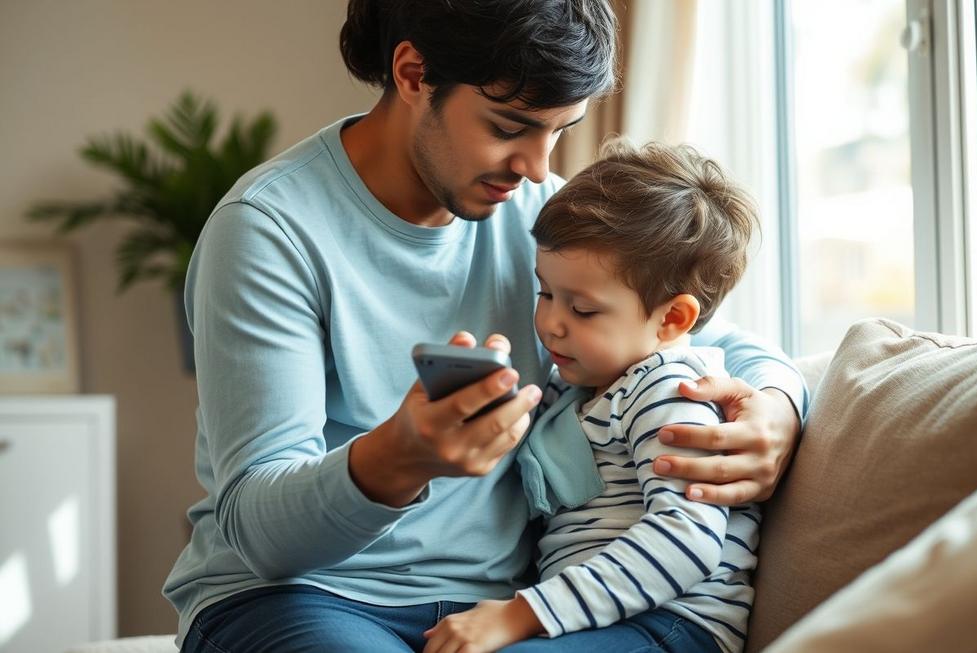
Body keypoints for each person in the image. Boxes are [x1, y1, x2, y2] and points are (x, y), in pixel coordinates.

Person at [164, 1, 807, 651]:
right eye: (509, 126)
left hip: (499, 607)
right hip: (301, 594)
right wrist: (399, 457)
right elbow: (262, 535)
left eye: (559, 131)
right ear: (413, 73)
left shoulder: (537, 211)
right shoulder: (268, 230)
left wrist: (776, 407)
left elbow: (688, 334)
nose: (536, 166)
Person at [424, 140, 761, 653]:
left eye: (582, 310)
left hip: (671, 624)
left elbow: (686, 539)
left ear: (672, 319)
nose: (550, 324)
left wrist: (523, 613)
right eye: (546, 293)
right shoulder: (577, 387)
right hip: (595, 619)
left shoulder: (671, 391)